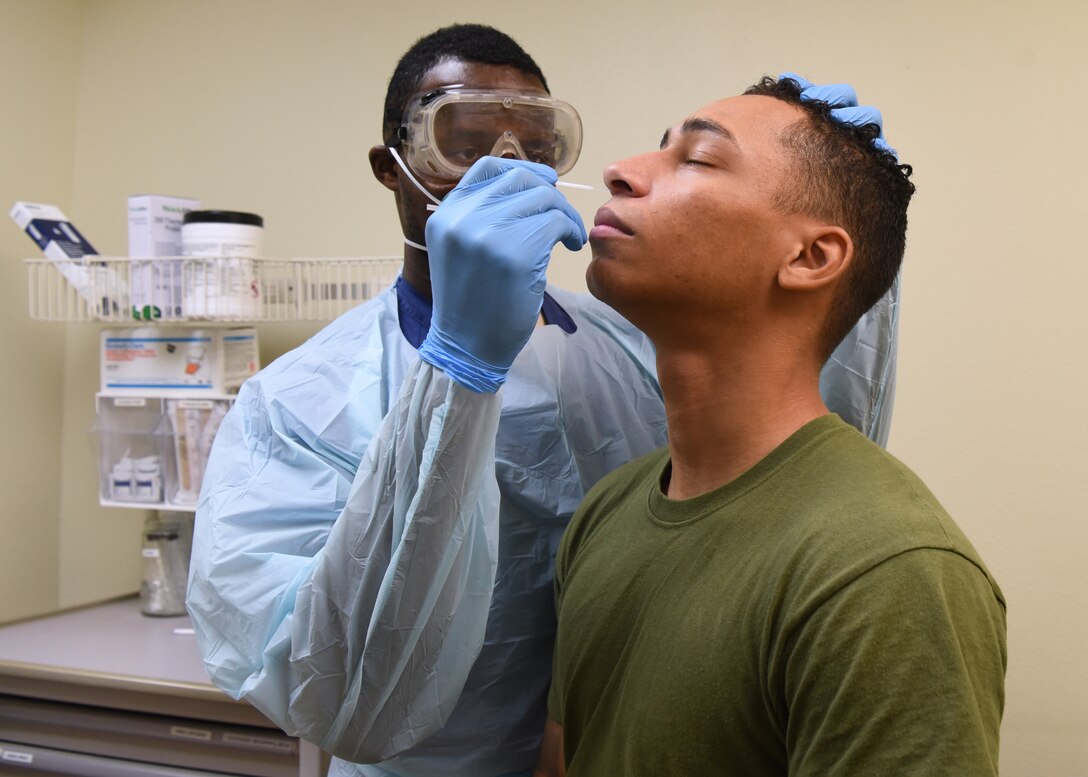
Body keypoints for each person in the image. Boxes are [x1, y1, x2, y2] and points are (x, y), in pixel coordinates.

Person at [185, 22, 898, 777]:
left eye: (537, 145)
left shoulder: (636, 343)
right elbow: (341, 698)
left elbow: (796, 436)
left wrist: (860, 217)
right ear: (392, 168)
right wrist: (458, 365)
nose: (507, 168)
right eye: (464, 142)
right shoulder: (298, 405)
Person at [531, 76, 1007, 776]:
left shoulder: (887, 570)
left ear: (810, 257)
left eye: (697, 158)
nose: (619, 171)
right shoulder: (606, 512)